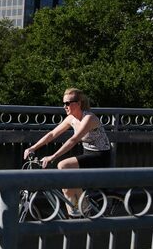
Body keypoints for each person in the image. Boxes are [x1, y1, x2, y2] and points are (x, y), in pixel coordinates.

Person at [23, 88, 112, 216]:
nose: (65, 106)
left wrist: (52, 157)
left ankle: (84, 207)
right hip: (88, 154)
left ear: (79, 103)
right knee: (66, 183)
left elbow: (73, 140)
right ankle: (74, 213)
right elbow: (53, 134)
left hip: (100, 156)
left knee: (63, 165)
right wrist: (33, 148)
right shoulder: (71, 118)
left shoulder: (89, 118)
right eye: (64, 103)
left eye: (68, 103)